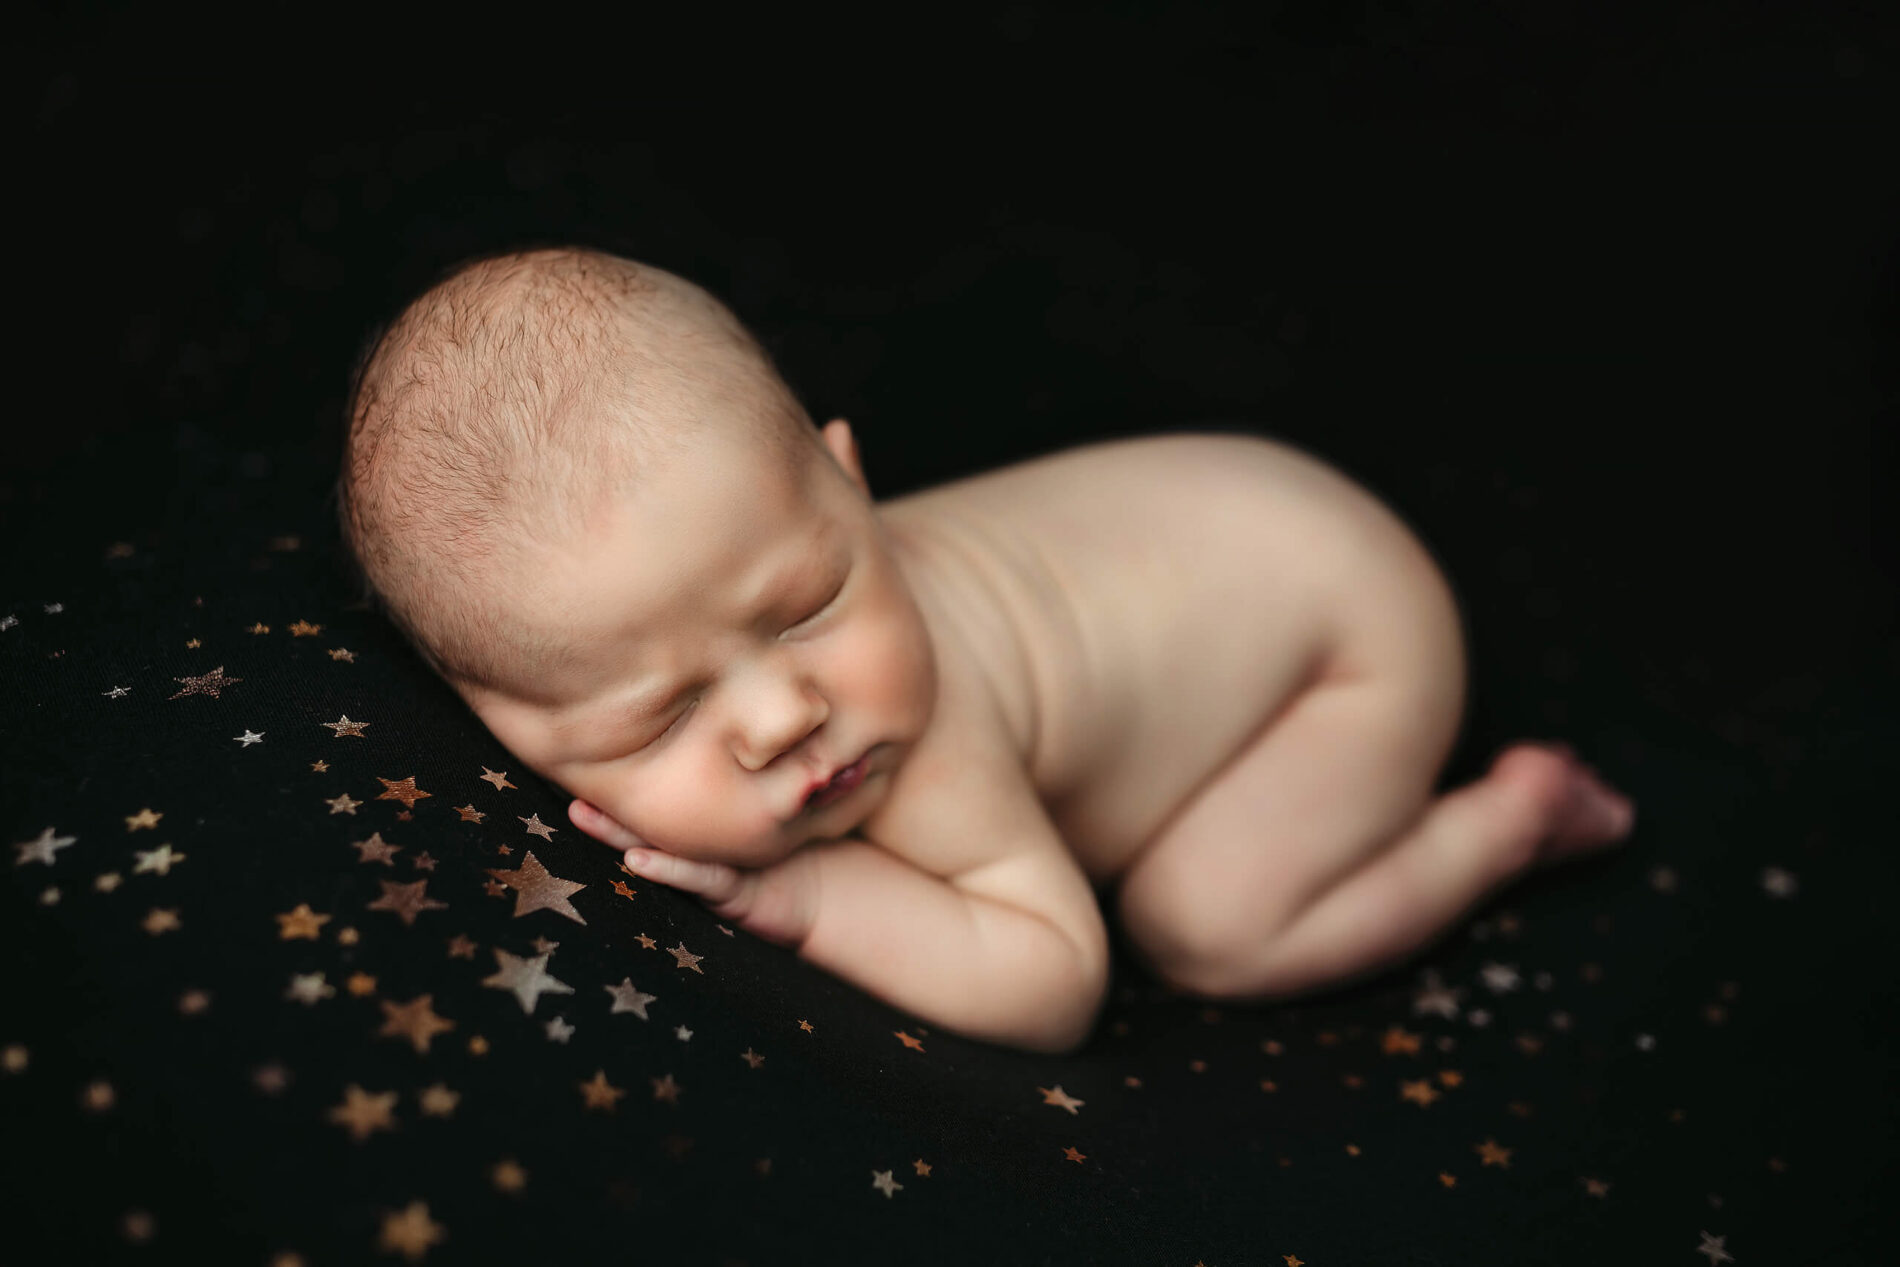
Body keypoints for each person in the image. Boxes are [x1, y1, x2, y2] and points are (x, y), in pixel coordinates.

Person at [336, 245, 1636, 1055]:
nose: (787, 715)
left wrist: (803, 902)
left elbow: (1057, 979)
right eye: (659, 713)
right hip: (1245, 523)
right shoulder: (743, 592)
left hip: (1345, 641)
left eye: (807, 606)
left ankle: (1504, 822)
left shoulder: (933, 736)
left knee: (1209, 928)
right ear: (488, 714)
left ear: (848, 486)